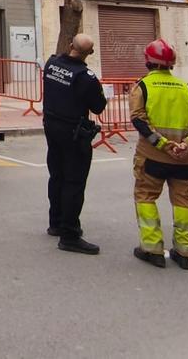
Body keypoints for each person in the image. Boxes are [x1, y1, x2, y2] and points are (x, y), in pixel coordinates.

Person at [129, 39, 188, 270]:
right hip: (184, 160)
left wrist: (164, 145)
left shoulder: (143, 87)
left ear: (148, 61)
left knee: (146, 198)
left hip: (152, 157)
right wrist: (187, 145)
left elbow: (139, 121)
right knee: (184, 202)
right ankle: (185, 253)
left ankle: (152, 249)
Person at [42, 33, 107, 255]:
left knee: (57, 175)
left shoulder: (51, 64)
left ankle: (56, 222)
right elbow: (98, 107)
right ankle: (69, 234)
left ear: (70, 45)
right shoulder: (85, 77)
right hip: (73, 133)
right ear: (89, 53)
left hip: (52, 128)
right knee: (74, 182)